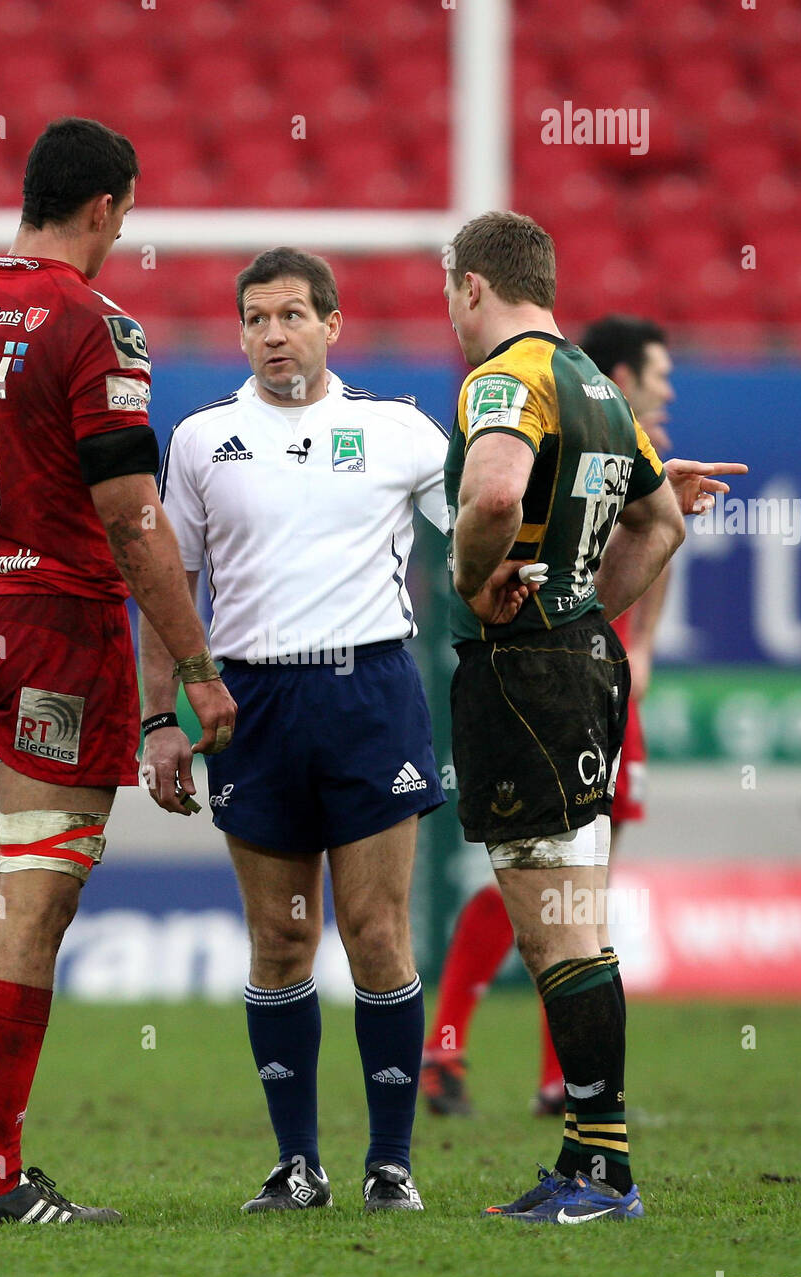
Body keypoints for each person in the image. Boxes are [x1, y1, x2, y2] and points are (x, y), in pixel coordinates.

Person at [0, 117, 235, 1225]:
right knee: (40, 901)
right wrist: (196, 666)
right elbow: (134, 520)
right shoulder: (95, 325)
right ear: (107, 208)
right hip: (58, 635)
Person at [442, 211, 740, 1222]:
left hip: (524, 679)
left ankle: (603, 1171)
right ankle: (590, 1157)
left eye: (451, 288)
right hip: (582, 669)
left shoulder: (505, 378)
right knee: (570, 921)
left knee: (556, 923)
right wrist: (585, 606)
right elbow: (662, 518)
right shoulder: (599, 386)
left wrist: (471, 578)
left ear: (473, 285)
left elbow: (489, 500)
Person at [139, 247, 451, 1212]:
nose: (274, 334)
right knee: (281, 944)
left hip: (370, 695)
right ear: (240, 334)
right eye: (257, 319)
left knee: (376, 932)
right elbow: (163, 591)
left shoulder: (398, 431)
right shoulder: (199, 441)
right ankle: (297, 1163)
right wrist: (160, 719)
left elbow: (488, 526)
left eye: (291, 316)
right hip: (253, 706)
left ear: (332, 325)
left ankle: (390, 1164)